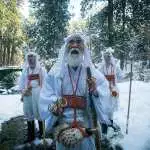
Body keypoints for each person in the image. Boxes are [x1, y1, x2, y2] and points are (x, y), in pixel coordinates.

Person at [39, 34, 111, 150]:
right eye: (71, 42)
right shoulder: (55, 73)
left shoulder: (92, 73)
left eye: (78, 42)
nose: (75, 45)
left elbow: (105, 95)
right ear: (66, 47)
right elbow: (45, 98)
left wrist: (95, 91)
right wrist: (54, 105)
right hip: (63, 130)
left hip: (86, 129)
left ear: (84, 47)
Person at [19, 51, 46, 143]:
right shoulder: (25, 70)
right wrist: (23, 91)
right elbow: (22, 82)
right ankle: (31, 136)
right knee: (29, 113)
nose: (31, 59)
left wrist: (44, 95)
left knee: (39, 112)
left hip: (38, 93)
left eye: (32, 57)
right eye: (29, 57)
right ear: (27, 59)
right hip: (28, 94)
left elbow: (46, 83)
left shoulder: (41, 70)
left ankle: (42, 134)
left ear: (35, 58)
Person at [99, 47, 123, 133]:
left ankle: (111, 122)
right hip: (104, 90)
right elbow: (98, 78)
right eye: (106, 57)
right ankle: (104, 124)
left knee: (112, 107)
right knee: (104, 107)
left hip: (113, 90)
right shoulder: (101, 67)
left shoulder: (115, 67)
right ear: (104, 58)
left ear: (111, 57)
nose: (107, 59)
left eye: (109, 57)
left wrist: (120, 70)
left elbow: (121, 76)